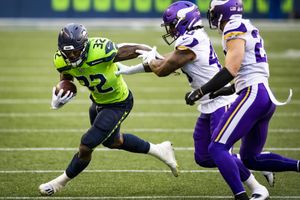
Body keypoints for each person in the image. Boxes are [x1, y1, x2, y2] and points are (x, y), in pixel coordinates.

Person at [115, 1, 273, 199]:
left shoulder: (192, 40)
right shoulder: (191, 37)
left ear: (183, 21)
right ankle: (255, 161)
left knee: (219, 150)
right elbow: (164, 60)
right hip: (207, 104)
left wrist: (149, 59)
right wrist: (130, 70)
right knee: (204, 157)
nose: (170, 30)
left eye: (172, 25)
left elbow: (163, 69)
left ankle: (255, 188)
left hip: (220, 102)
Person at [38, 23, 179, 196]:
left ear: (84, 45)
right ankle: (160, 150)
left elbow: (136, 49)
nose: (72, 56)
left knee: (86, 145)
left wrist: (162, 60)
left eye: (76, 51)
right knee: (113, 142)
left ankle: (59, 183)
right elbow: (67, 78)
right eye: (68, 53)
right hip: (97, 102)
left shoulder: (100, 50)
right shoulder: (61, 59)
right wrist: (62, 93)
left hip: (119, 103)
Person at [184, 0, 299, 199]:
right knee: (251, 159)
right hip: (263, 95)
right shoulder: (246, 25)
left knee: (217, 148)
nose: (212, 18)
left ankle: (241, 196)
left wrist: (201, 91)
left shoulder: (233, 27)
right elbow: (247, 72)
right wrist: (223, 91)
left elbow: (231, 69)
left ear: (220, 13)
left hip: (253, 95)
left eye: (213, 13)